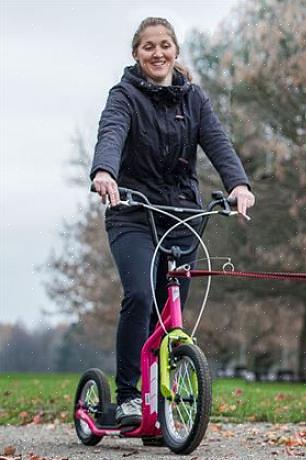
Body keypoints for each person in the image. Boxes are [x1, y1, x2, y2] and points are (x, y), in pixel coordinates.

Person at [90, 17, 255, 426]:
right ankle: (129, 395)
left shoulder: (194, 99)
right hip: (132, 211)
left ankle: (161, 394)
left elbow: (217, 141)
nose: (158, 53)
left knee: (171, 309)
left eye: (165, 45)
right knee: (142, 298)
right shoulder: (124, 96)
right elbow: (111, 133)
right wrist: (104, 172)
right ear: (136, 53)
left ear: (176, 51)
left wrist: (238, 185)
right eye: (149, 46)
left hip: (182, 214)